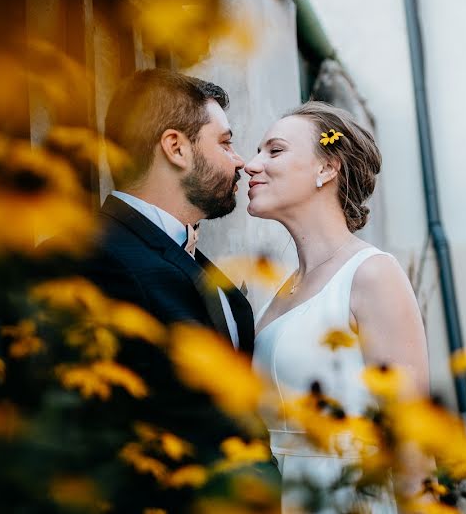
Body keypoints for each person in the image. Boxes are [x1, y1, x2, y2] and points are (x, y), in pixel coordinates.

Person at [246, 101, 429, 512]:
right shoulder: (282, 292)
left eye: (274, 151)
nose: (251, 165)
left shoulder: (372, 275)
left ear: (327, 168)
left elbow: (411, 440)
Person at [86, 68, 254, 354]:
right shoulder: (95, 258)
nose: (240, 161)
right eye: (225, 143)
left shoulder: (189, 256)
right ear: (176, 148)